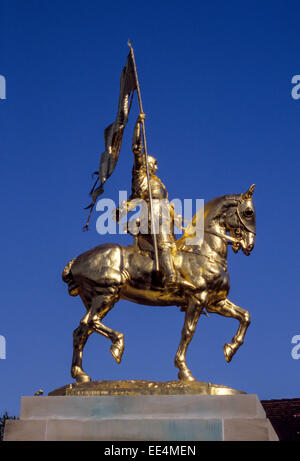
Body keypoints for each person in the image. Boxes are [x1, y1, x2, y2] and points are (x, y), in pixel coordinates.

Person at [116, 113, 178, 287]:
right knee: (164, 244)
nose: (156, 167)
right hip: (153, 217)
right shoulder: (140, 176)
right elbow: (136, 148)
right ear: (145, 165)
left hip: (165, 216)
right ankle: (171, 275)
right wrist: (138, 125)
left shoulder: (156, 181)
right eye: (154, 164)